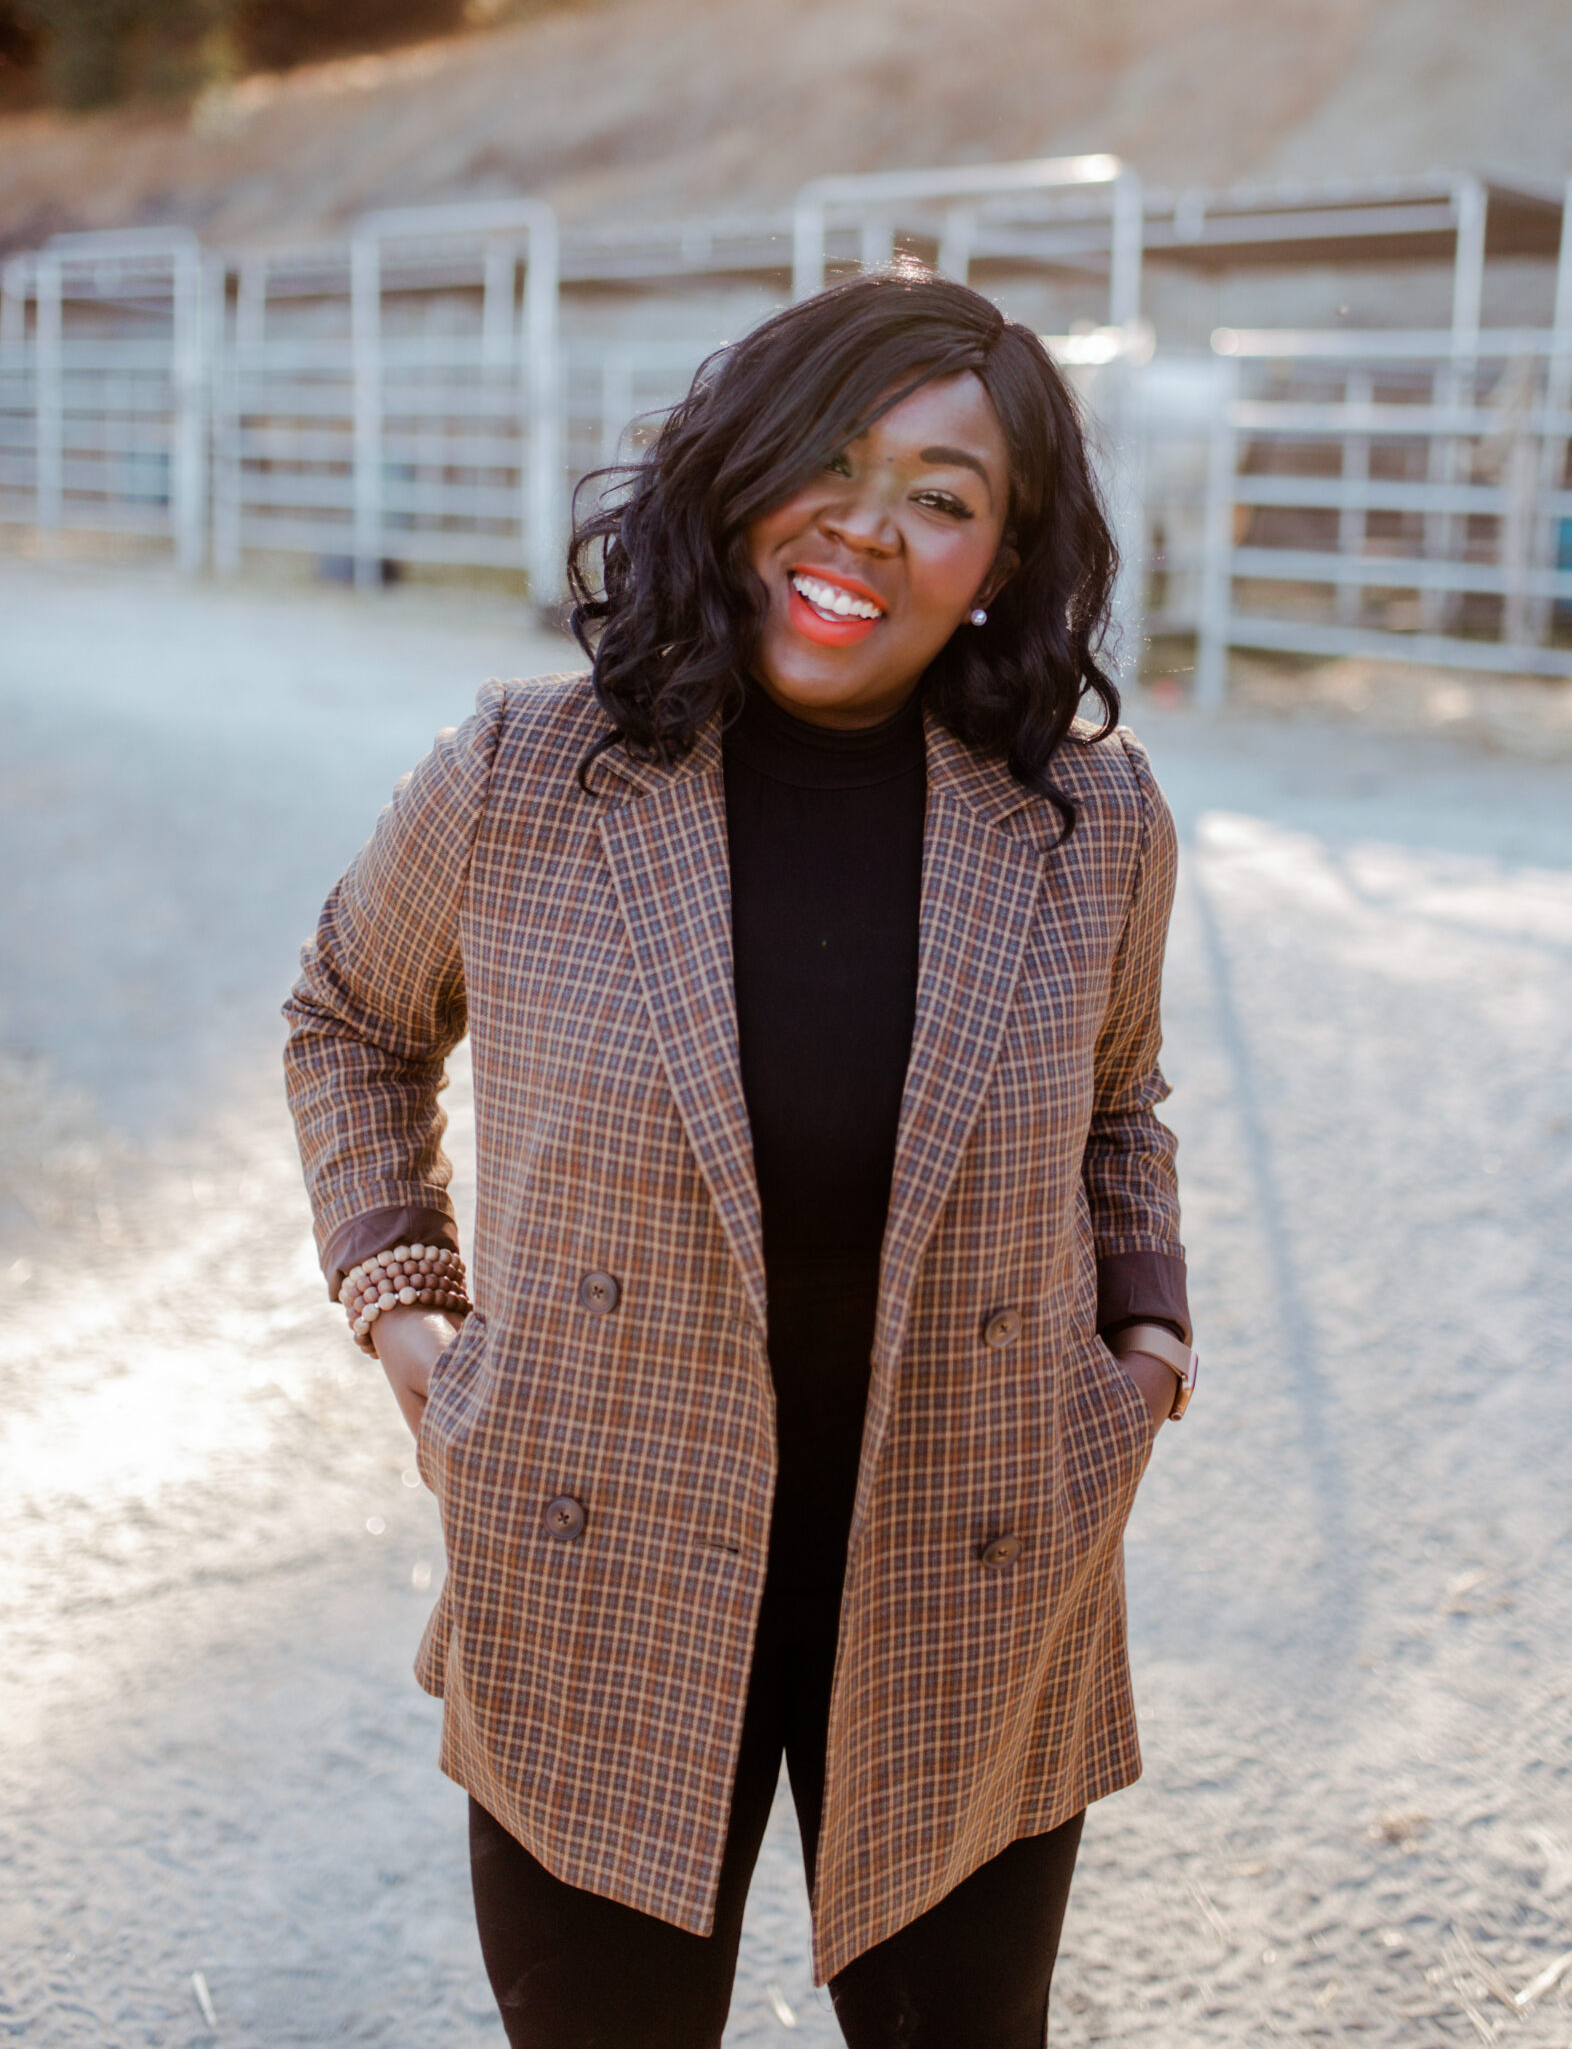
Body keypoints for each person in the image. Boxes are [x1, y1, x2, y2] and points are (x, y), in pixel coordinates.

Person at [283, 266, 1193, 2049]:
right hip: (600, 1538)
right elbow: (349, 1019)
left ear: (999, 561)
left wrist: (1146, 1339)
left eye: (944, 497)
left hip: (970, 1551)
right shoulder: (526, 773)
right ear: (743, 475)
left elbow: (1118, 1105)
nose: (869, 528)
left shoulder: (1093, 820)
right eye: (831, 464)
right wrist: (405, 1306)